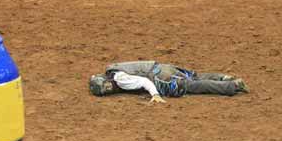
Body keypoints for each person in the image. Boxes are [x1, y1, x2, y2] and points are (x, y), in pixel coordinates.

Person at [89, 61, 249, 103]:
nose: (110, 90)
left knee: (191, 86)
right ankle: (223, 77)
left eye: (107, 88)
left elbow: (144, 81)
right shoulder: (113, 68)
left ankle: (232, 86)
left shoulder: (120, 79)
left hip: (160, 78)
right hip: (163, 67)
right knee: (194, 76)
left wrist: (155, 94)